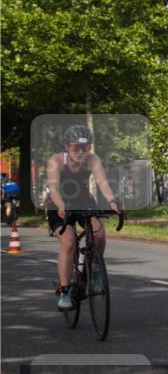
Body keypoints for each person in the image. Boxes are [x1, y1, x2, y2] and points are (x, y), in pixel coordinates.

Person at [46, 125, 121, 311]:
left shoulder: (93, 160)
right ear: (66, 146)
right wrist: (61, 205)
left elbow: (103, 182)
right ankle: (64, 291)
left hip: (83, 201)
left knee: (99, 234)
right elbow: (53, 188)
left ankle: (93, 270)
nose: (80, 152)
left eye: (85, 148)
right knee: (69, 242)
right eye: (75, 147)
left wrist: (113, 202)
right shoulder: (56, 160)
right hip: (58, 204)